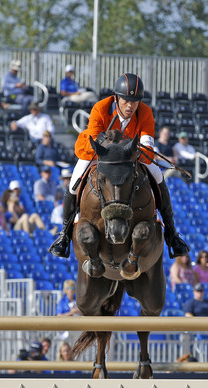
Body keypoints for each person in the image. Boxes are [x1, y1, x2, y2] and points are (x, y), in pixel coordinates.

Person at [49, 73, 188, 259]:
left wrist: (134, 150)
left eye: (135, 101)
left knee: (159, 177)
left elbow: (147, 147)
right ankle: (64, 235)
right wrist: (117, 145)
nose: (130, 106)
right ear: (116, 98)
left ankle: (172, 234)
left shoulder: (145, 112)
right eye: (126, 100)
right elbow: (95, 138)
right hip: (98, 154)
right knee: (74, 182)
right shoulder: (101, 108)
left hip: (130, 156)